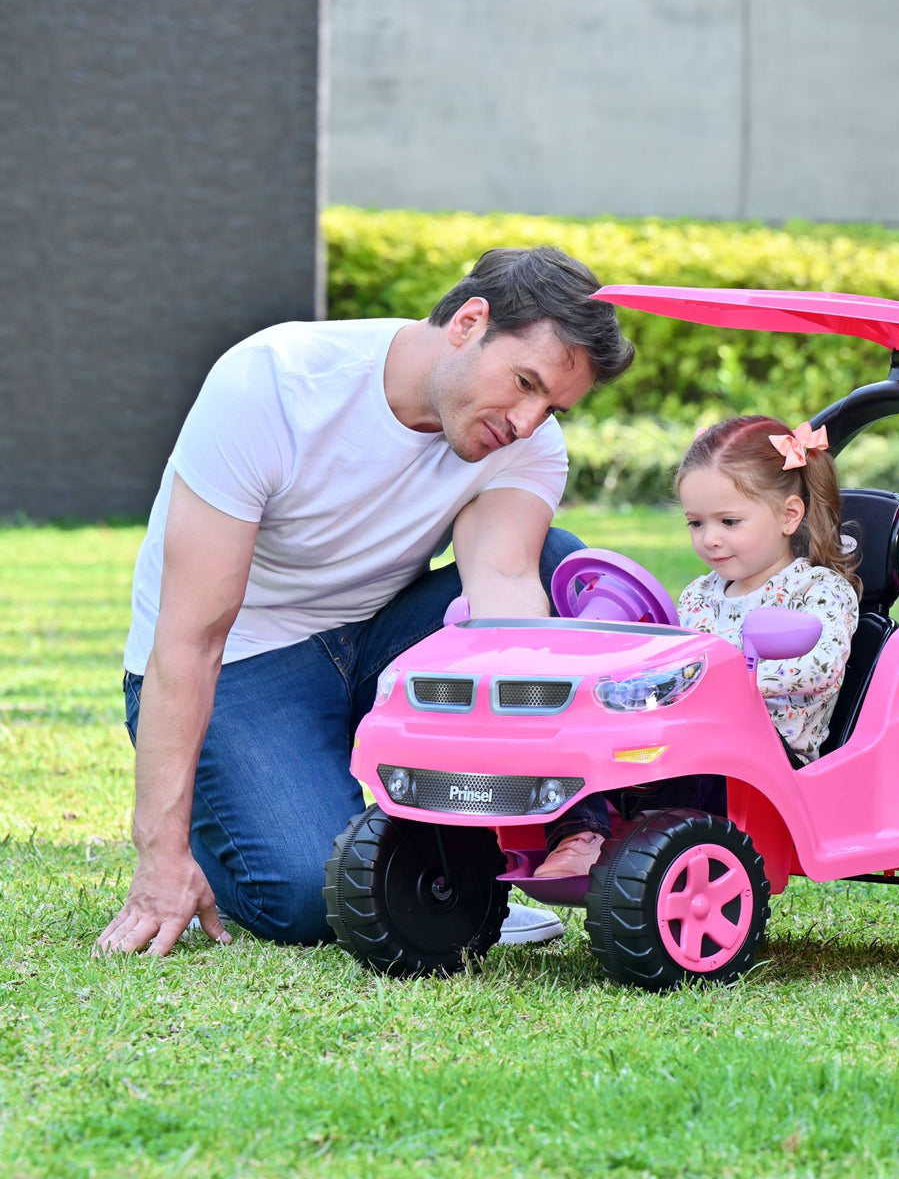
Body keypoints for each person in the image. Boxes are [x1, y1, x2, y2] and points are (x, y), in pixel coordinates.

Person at [96, 246, 634, 957]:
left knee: (560, 565)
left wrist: (535, 806)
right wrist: (159, 858)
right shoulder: (272, 383)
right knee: (302, 896)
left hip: (379, 640)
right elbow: (192, 636)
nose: (529, 421)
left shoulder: (524, 444)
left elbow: (505, 596)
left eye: (553, 406)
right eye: (525, 383)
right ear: (470, 321)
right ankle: (234, 831)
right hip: (243, 661)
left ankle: (493, 857)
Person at [533, 414, 860, 877]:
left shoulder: (819, 590)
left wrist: (720, 680)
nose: (710, 539)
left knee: (683, 755)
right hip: (695, 733)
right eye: (695, 523)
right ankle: (581, 834)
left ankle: (645, 848)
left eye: (729, 521)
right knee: (584, 735)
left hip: (767, 754)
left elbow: (820, 668)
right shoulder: (699, 594)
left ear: (789, 515)